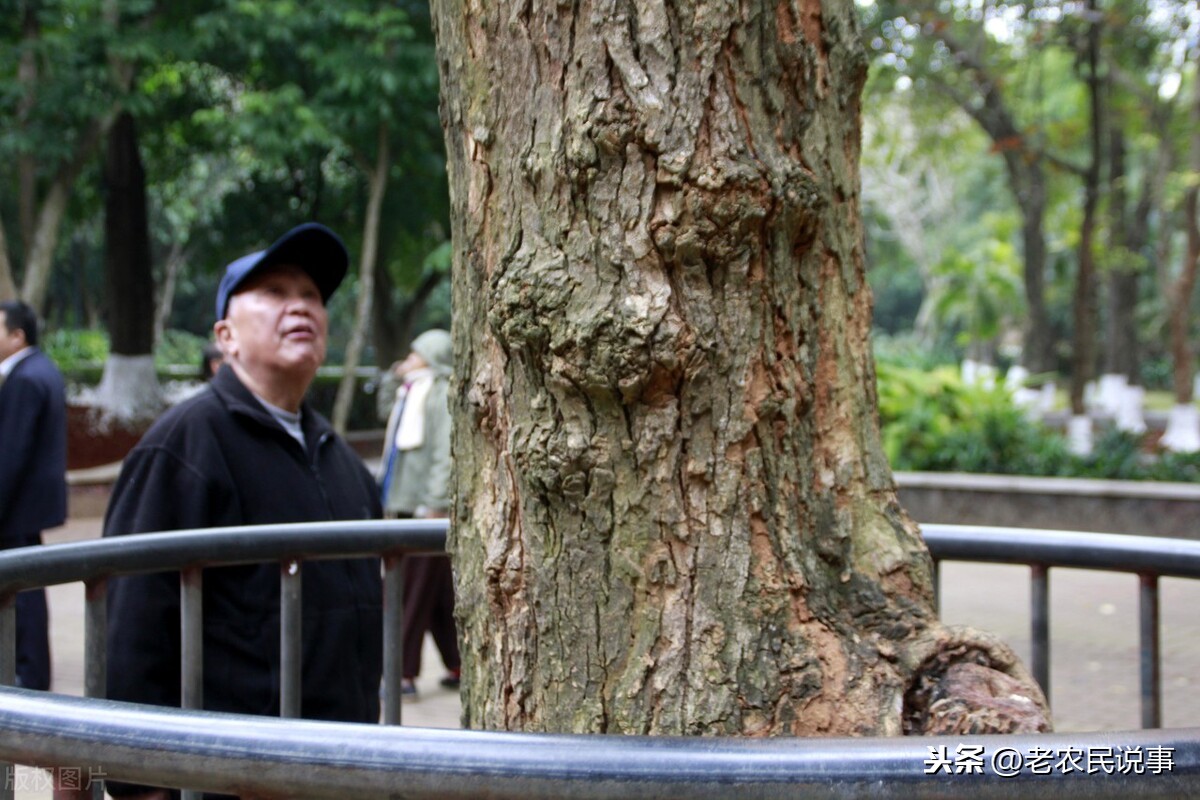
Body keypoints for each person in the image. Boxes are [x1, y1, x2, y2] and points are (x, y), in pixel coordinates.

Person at [103, 223, 383, 800]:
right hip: (234, 777)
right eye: (275, 292)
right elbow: (135, 626)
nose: (300, 306)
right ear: (225, 337)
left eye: (310, 295)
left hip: (344, 769)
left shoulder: (341, 461)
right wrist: (141, 784)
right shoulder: (182, 447)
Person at [378, 329, 458, 694]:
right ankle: (458, 664)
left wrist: (436, 502)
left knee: (408, 589)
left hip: (427, 508)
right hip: (406, 503)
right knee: (437, 590)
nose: (408, 360)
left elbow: (445, 452)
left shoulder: (440, 392)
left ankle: (401, 672)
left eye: (415, 353)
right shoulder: (408, 391)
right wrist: (388, 380)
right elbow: (382, 413)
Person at [0, 300, 67, 692]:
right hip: (28, 509)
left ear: (16, 336)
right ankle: (28, 673)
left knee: (21, 595)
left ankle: (28, 675)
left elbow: (9, 455)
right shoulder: (41, 369)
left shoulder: (24, 379)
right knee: (26, 593)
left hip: (16, 511)